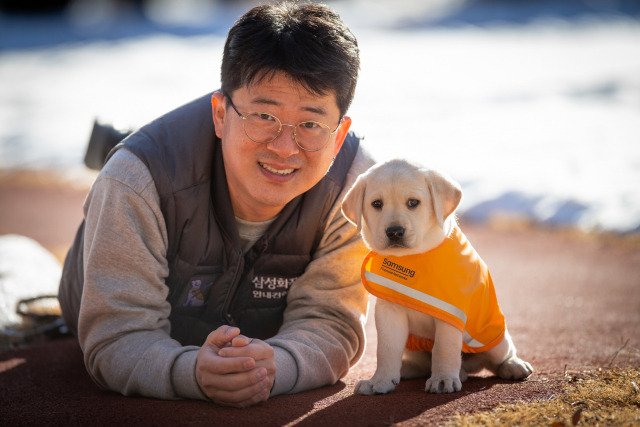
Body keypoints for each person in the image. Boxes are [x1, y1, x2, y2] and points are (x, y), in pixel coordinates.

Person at [58, 1, 375, 408]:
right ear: (221, 113)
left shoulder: (357, 188)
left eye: (311, 125)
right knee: (151, 168)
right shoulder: (134, 181)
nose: (284, 147)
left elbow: (332, 323)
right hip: (110, 251)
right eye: (263, 116)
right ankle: (132, 145)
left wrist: (275, 365)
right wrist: (191, 374)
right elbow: (117, 337)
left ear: (339, 133)